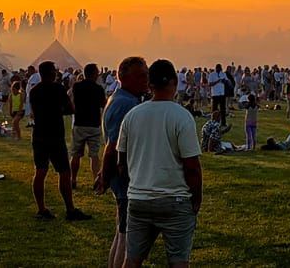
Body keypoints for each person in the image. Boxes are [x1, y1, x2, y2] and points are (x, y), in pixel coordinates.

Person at [118, 59, 201, 268]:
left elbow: (121, 161)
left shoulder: (132, 116)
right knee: (178, 261)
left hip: (139, 198)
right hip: (175, 198)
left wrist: (135, 185)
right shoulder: (182, 117)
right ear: (174, 82)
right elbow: (191, 166)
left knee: (132, 259)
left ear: (150, 84)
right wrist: (196, 198)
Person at [100, 57, 149, 268]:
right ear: (124, 77)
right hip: (125, 178)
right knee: (127, 238)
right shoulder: (126, 104)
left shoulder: (121, 98)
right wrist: (104, 175)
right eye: (141, 76)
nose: (146, 80)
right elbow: (112, 146)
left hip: (121, 178)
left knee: (121, 233)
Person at [30, 61, 87, 221]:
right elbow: (70, 109)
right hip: (55, 135)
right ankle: (70, 209)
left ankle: (41, 209)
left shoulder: (34, 91)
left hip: (39, 134)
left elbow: (34, 111)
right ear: (53, 73)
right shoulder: (58, 89)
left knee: (40, 172)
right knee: (64, 172)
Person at [71, 63, 108, 185]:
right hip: (94, 124)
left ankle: (73, 179)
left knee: (76, 154)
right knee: (94, 155)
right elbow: (104, 104)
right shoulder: (98, 89)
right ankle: (96, 180)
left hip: (79, 123)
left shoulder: (77, 86)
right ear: (95, 74)